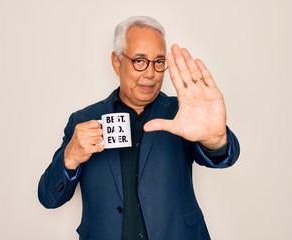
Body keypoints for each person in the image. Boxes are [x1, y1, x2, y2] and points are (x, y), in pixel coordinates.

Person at [38, 16, 240, 240]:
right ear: (117, 62)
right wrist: (70, 157)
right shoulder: (83, 120)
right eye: (140, 61)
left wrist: (215, 139)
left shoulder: (181, 112)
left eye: (159, 62)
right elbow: (48, 197)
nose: (151, 73)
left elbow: (224, 154)